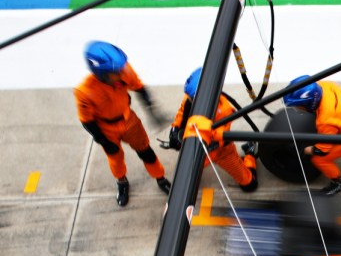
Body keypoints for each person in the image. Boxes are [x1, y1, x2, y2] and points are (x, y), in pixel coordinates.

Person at [74, 41, 170, 207]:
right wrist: (103, 140)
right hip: (106, 128)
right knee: (115, 158)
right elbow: (87, 121)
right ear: (101, 74)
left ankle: (160, 178)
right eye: (115, 72)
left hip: (128, 120)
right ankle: (122, 182)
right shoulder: (84, 92)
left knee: (145, 151)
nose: (121, 73)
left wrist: (151, 109)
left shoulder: (122, 70)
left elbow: (139, 88)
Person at [282, 75, 341, 196]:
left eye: (298, 106)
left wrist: (303, 149)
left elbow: (321, 150)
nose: (296, 109)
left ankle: (337, 182)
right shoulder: (323, 86)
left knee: (319, 159)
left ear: (309, 103)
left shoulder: (326, 120)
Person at [168, 67, 258, 192]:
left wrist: (195, 144)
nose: (189, 100)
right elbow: (182, 112)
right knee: (185, 181)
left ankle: (250, 155)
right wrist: (174, 130)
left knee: (249, 185)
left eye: (192, 99)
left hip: (221, 151)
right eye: (190, 98)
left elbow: (220, 137)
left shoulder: (225, 111)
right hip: (198, 149)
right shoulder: (191, 96)